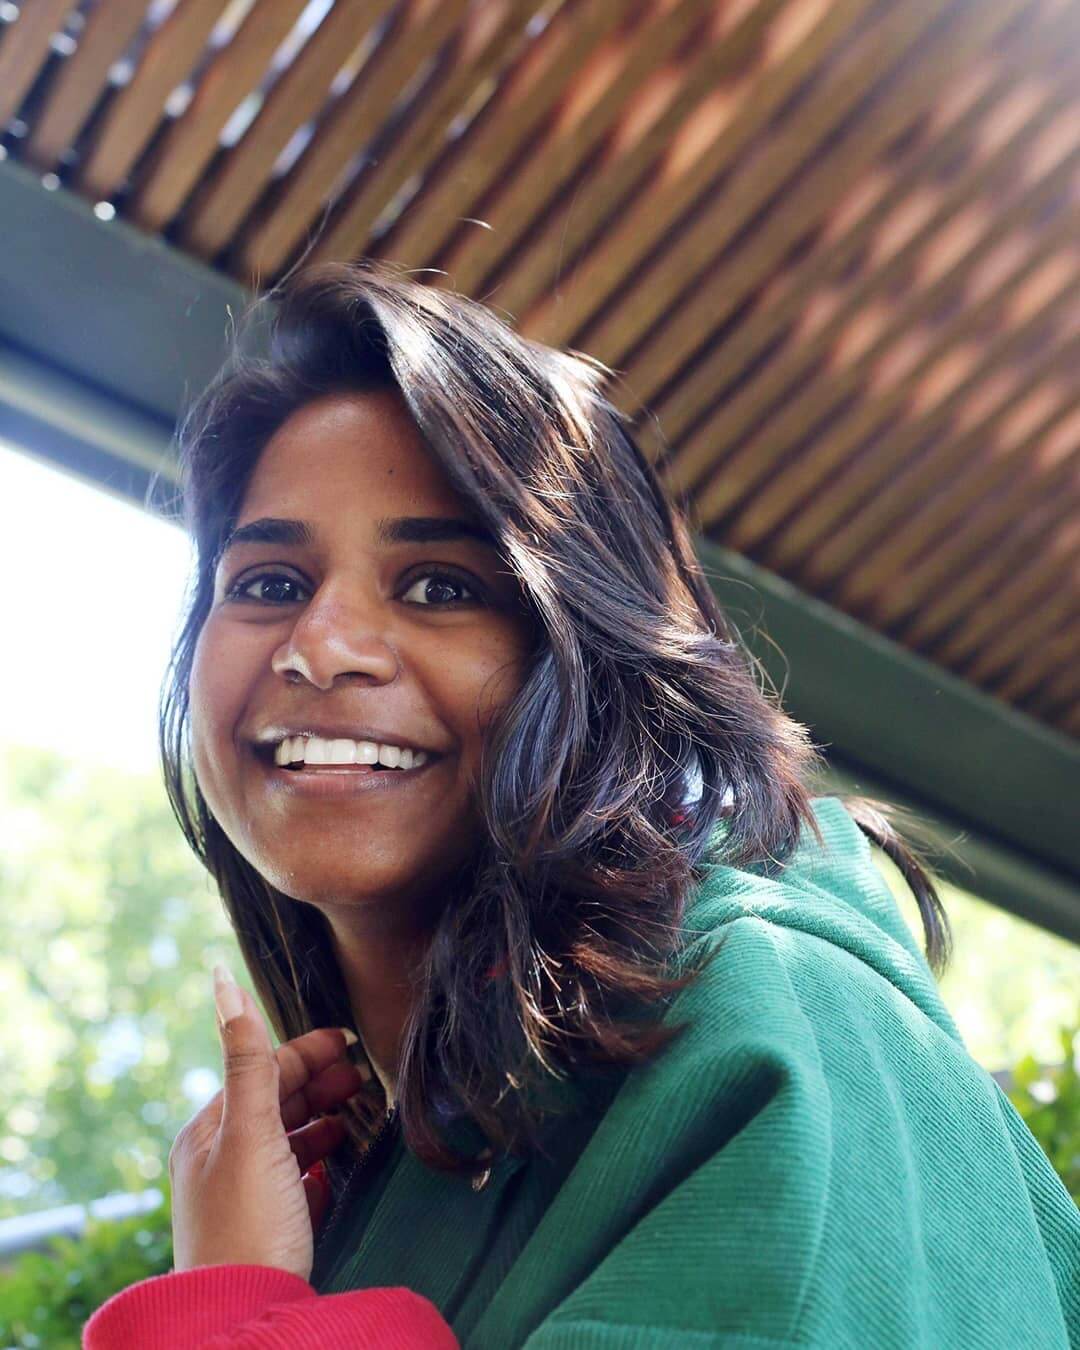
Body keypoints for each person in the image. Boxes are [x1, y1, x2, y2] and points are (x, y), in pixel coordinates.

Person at [83, 261, 1079, 1349]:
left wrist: (231, 1313)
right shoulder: (388, 1182)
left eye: (440, 587)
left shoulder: (782, 1018)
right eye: (269, 583)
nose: (320, 648)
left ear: (590, 662)